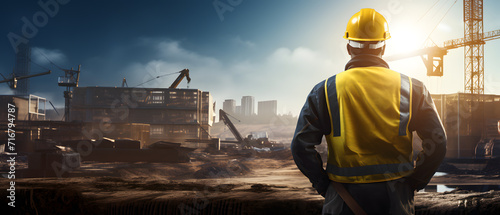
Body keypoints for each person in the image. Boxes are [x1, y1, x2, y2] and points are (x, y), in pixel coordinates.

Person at [291, 8, 447, 215]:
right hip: (396, 195)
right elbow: (438, 140)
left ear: (348, 47)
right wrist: (417, 180)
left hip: (342, 195)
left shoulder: (326, 90)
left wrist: (322, 184)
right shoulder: (412, 88)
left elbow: (300, 145)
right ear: (384, 48)